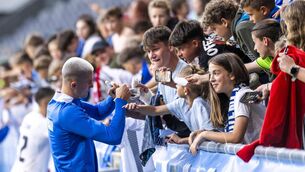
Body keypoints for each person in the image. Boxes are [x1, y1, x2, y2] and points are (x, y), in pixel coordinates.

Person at [237, 0, 305, 162]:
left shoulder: (293, 57)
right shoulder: (294, 53)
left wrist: (292, 68)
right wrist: (270, 86)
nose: (284, 29)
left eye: (286, 24)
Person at [47, 57, 131, 171]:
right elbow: (113, 136)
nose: (92, 85)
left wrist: (113, 98)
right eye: (88, 81)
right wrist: (121, 101)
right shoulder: (67, 113)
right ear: (74, 84)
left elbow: (97, 112)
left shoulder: (58, 102)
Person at [189, 53, 265, 155]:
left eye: (216, 73)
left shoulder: (243, 94)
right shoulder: (239, 95)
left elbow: (236, 137)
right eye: (210, 74)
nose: (211, 79)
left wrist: (205, 134)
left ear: (232, 75)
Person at [125, 65, 214, 144]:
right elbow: (155, 110)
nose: (175, 86)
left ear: (186, 91)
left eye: (177, 85)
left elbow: (208, 136)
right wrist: (137, 107)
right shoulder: (181, 102)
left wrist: (182, 140)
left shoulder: (199, 104)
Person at [11, 87, 55, 172]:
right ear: (45, 103)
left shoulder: (29, 117)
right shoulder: (44, 124)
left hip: (18, 168)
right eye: (54, 103)